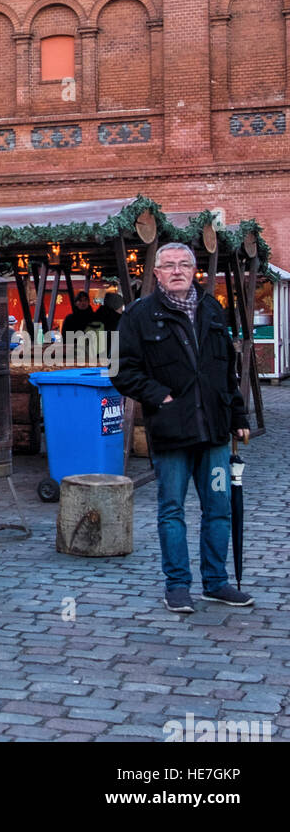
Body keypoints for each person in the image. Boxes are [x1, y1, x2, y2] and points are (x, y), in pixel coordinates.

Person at [112, 242, 252, 612]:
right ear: (156, 273)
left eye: (184, 264)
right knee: (172, 510)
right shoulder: (140, 315)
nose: (177, 270)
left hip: (215, 432)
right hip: (172, 431)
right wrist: (161, 396)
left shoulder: (212, 309)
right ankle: (177, 585)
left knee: (219, 509)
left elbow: (226, 371)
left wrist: (238, 417)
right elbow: (122, 371)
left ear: (195, 271)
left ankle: (216, 582)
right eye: (169, 265)